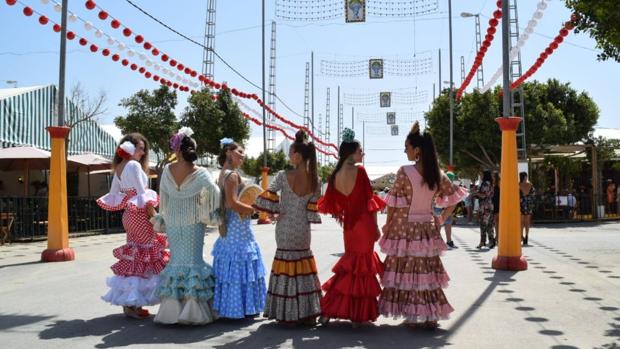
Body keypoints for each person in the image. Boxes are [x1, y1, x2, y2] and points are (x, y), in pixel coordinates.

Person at [378, 121, 466, 330]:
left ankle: (413, 315)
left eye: (406, 147)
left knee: (408, 273)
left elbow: (393, 204)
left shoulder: (404, 171)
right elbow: (454, 199)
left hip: (404, 229)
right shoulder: (437, 173)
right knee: (426, 273)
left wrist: (387, 225)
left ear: (417, 150)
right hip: (428, 230)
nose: (405, 150)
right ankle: (428, 316)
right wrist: (441, 218)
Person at [317, 128, 386, 327]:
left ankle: (329, 310)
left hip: (349, 226)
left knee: (350, 268)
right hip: (363, 224)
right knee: (362, 269)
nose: (362, 153)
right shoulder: (360, 171)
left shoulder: (336, 174)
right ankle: (357, 314)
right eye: (360, 150)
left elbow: (332, 204)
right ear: (351, 152)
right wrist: (375, 227)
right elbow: (369, 202)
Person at [151, 128, 220, 325]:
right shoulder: (201, 173)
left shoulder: (167, 171)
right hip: (193, 221)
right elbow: (214, 192)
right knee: (193, 262)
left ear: (177, 150)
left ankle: (171, 310)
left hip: (172, 220)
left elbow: (163, 196)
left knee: (176, 261)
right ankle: (192, 310)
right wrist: (206, 207)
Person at [253, 130, 323, 325]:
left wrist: (275, 211)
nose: (288, 156)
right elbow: (313, 206)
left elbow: (269, 194)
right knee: (303, 265)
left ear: (297, 156)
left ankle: (286, 314)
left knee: (285, 265)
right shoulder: (316, 179)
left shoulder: (283, 175)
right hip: (303, 230)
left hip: (284, 229)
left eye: (290, 153)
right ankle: (306, 312)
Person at [96, 133, 169, 319]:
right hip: (140, 214)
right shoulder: (134, 165)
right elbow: (142, 194)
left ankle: (131, 305)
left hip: (128, 215)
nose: (143, 152)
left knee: (135, 257)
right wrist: (155, 215)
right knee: (148, 255)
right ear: (129, 147)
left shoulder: (119, 167)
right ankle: (137, 303)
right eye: (140, 148)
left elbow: (114, 195)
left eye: (144, 149)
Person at [212, 138, 267, 319]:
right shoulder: (233, 175)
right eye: (239, 152)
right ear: (228, 152)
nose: (243, 156)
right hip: (237, 224)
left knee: (232, 266)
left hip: (228, 225)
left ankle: (231, 307)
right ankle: (241, 308)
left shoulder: (223, 173)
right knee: (241, 262)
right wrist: (256, 210)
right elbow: (233, 203)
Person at [473, 171, 495, 249]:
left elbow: (483, 195)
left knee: (483, 225)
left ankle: (482, 242)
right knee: (490, 225)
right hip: (490, 205)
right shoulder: (491, 183)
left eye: (481, 175)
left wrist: (475, 193)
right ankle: (491, 241)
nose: (480, 176)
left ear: (485, 175)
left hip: (484, 206)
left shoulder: (485, 183)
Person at [519, 172, 536, 245]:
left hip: (521, 204)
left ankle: (521, 236)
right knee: (527, 221)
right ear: (525, 177)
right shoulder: (530, 185)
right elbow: (533, 194)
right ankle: (526, 236)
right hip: (528, 205)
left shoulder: (518, 185)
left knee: (521, 221)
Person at [492, 172, 501, 243]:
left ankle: (498, 236)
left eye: (493, 176)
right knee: (495, 221)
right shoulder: (493, 184)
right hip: (494, 203)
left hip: (498, 203)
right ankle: (497, 236)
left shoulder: (499, 184)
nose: (492, 178)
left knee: (497, 221)